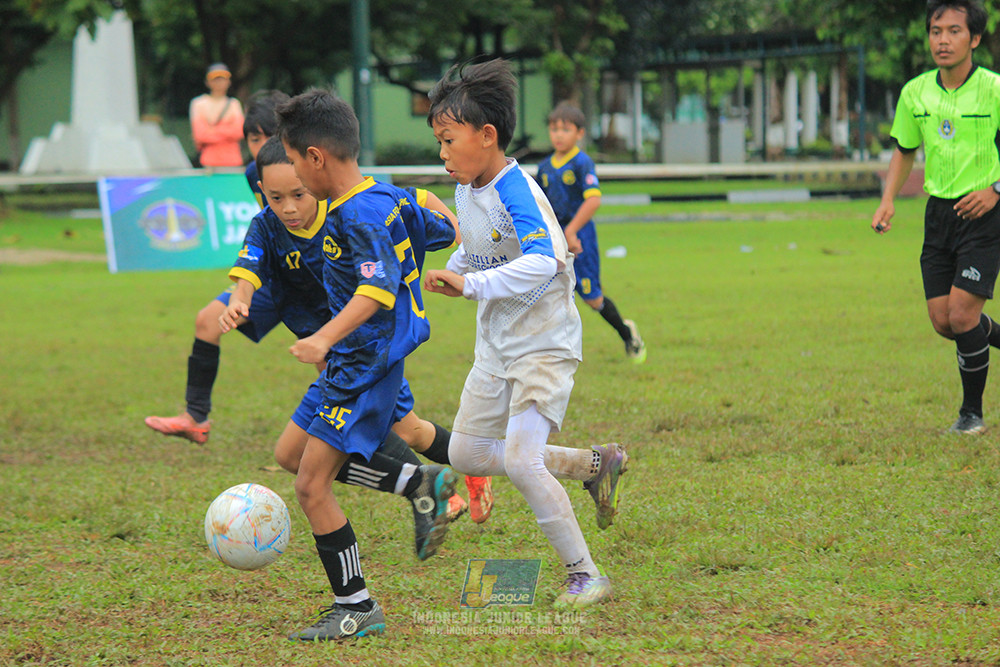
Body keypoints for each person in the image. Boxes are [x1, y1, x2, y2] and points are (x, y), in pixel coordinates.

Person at [422, 59, 628, 610]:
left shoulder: (516, 188)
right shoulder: (469, 188)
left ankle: (586, 575)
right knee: (465, 453)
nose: (442, 154)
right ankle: (595, 465)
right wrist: (457, 269)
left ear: (486, 136)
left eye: (448, 140)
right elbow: (479, 247)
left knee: (519, 460)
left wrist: (470, 287)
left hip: (544, 342)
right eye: (438, 142)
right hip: (496, 345)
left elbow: (545, 260)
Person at [217, 135, 472, 555]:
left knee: (319, 471)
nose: (290, 208)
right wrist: (239, 303)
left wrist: (451, 223)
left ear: (310, 171)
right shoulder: (267, 225)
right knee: (306, 453)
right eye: (276, 198)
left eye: (297, 194)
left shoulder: (350, 215)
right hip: (338, 356)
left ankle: (451, 475)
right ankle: (439, 478)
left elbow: (413, 206)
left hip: (359, 353)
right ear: (262, 192)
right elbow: (248, 269)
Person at [275, 89, 459, 641]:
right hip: (354, 366)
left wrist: (322, 338)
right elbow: (445, 230)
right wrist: (416, 202)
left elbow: (375, 291)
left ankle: (356, 607)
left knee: (311, 487)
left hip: (361, 367)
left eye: (292, 160)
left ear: (315, 157)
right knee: (289, 455)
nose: (297, 181)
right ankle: (419, 481)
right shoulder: (386, 198)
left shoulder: (355, 214)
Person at [871, 0, 1000, 434]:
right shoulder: (915, 92)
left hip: (985, 213)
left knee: (963, 315)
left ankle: (972, 416)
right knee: (945, 321)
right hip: (938, 215)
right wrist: (888, 199)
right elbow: (905, 150)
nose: (942, 40)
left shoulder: (995, 90)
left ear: (975, 39)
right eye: (935, 31)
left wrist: (995, 190)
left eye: (953, 31)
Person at [538, 102, 646, 363]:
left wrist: (572, 231)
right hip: (554, 238)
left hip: (580, 238)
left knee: (592, 298)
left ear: (580, 133)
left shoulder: (582, 163)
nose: (559, 134)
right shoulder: (544, 167)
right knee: (545, 293)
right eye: (554, 129)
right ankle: (548, 352)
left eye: (565, 129)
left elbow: (593, 200)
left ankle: (627, 333)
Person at [189, 63, 245, 168]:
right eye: (215, 79)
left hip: (233, 160)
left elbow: (239, 131)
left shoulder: (234, 104)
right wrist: (228, 129)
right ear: (207, 82)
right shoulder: (198, 103)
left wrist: (212, 130)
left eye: (222, 79)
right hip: (209, 162)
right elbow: (200, 135)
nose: (219, 83)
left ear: (229, 82)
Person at [243, 90, 291, 208]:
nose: (265, 146)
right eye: (255, 140)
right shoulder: (252, 173)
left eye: (271, 137)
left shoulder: (308, 173)